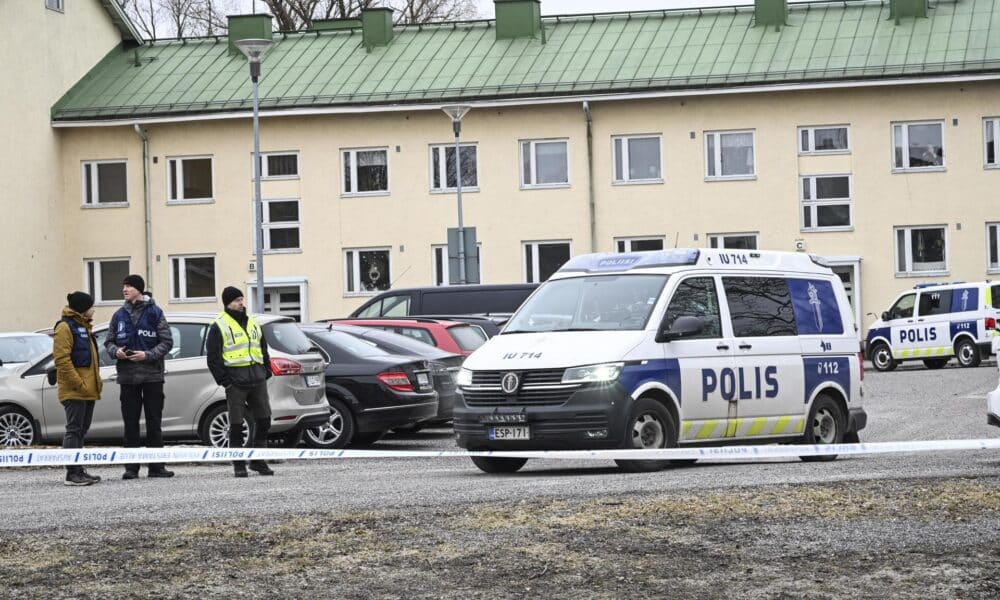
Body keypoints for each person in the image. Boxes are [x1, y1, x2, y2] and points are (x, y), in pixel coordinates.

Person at [104, 274, 174, 480]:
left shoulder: (155, 312)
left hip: (152, 376)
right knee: (130, 423)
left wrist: (148, 355)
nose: (125, 289)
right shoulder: (118, 315)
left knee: (154, 422)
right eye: (123, 286)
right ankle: (131, 468)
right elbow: (108, 342)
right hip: (127, 377)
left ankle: (157, 467)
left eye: (129, 286)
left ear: (139, 290)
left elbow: (167, 342)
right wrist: (115, 351)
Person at [206, 286, 275, 478]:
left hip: (257, 379)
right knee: (236, 424)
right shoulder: (219, 325)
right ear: (228, 303)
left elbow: (263, 348)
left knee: (264, 420)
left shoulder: (253, 322)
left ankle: (258, 461)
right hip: (236, 382)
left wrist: (266, 370)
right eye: (236, 300)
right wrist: (225, 381)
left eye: (241, 299)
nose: (241, 303)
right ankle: (238, 464)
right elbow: (213, 358)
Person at [53, 292, 102, 486]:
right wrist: (78, 384)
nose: (94, 309)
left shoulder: (83, 326)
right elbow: (62, 360)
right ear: (83, 308)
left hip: (87, 390)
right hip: (75, 390)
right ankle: (72, 473)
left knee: (82, 430)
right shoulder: (65, 327)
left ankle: (79, 469)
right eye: (91, 306)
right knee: (73, 430)